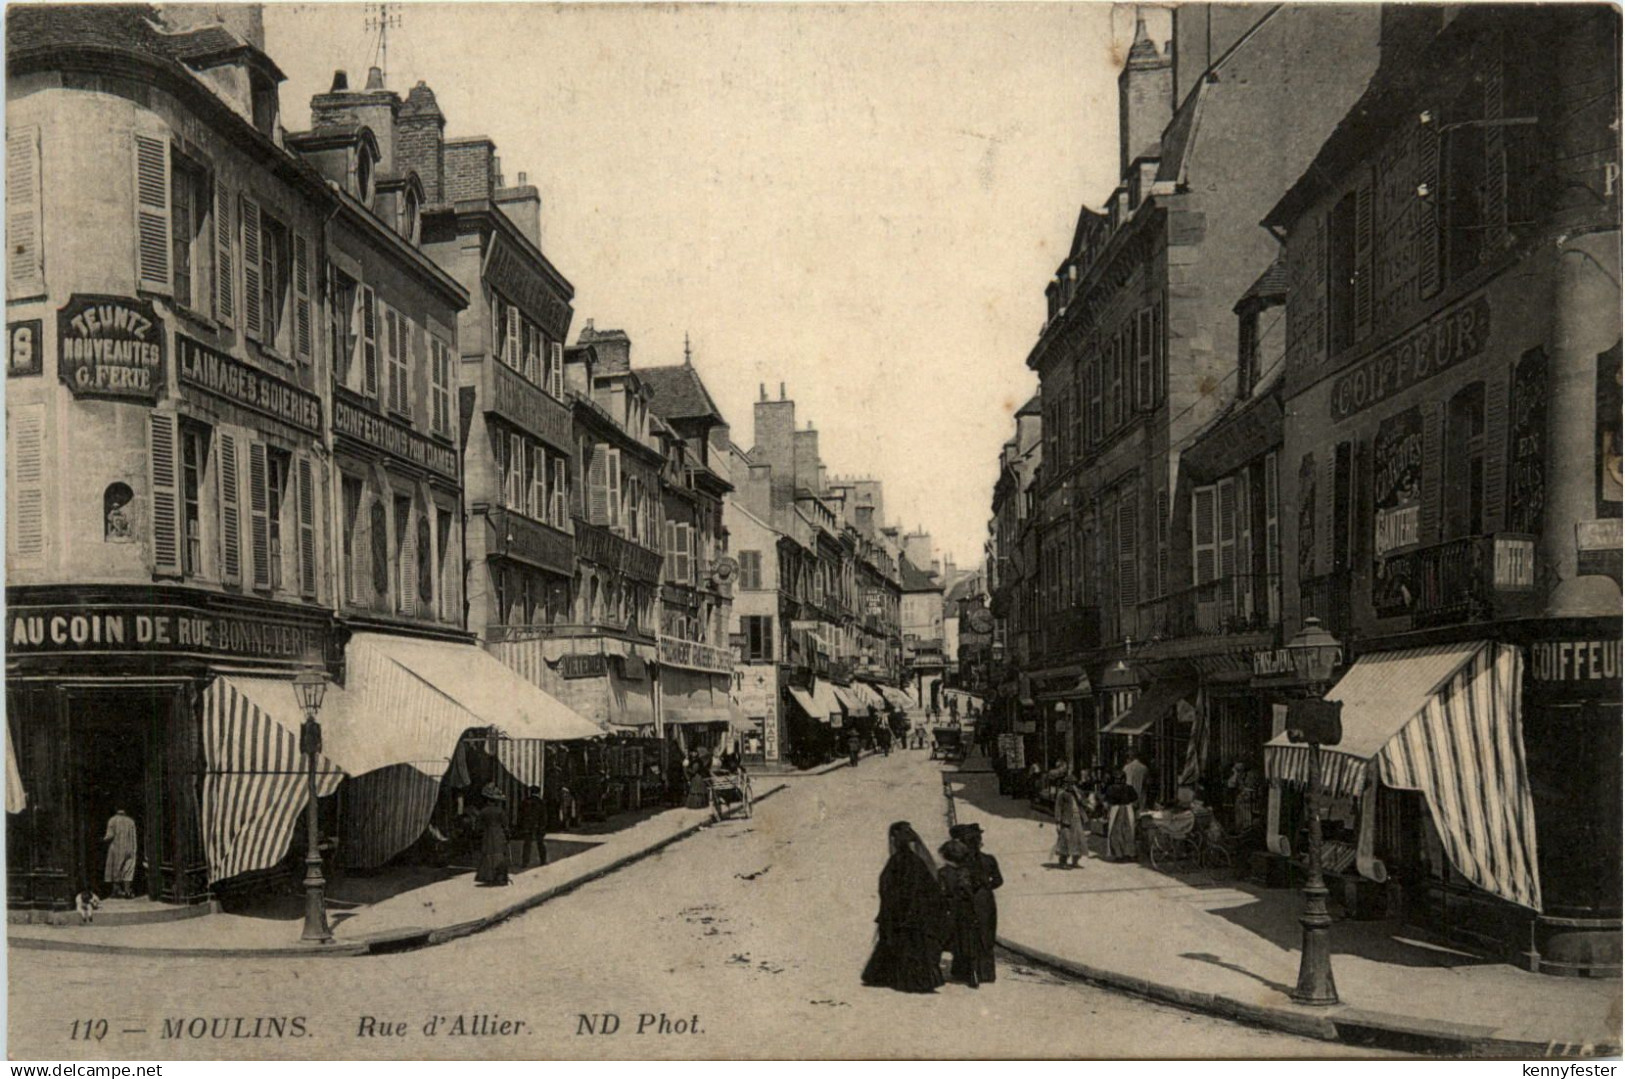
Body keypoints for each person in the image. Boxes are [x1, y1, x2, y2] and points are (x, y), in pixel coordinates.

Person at [861, 822, 947, 993]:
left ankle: (896, 978)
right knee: (909, 944)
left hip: (905, 912)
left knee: (904, 943)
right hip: (910, 911)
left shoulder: (901, 861)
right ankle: (906, 979)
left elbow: (895, 887)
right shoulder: (913, 861)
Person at [950, 823, 1001, 984]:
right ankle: (985, 973)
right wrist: (986, 887)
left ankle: (965, 971)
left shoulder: (962, 862)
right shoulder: (989, 859)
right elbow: (999, 881)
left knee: (966, 934)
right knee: (985, 934)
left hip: (967, 901)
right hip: (985, 902)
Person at [937, 839, 985, 987]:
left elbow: (941, 892)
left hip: (950, 910)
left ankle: (937, 973)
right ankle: (972, 974)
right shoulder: (967, 872)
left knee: (943, 940)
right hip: (966, 910)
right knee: (968, 941)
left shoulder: (943, 873)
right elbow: (975, 889)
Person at [474, 785, 510, 887]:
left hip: (488, 834)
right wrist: (507, 834)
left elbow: (478, 826)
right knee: (499, 854)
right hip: (499, 834)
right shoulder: (500, 811)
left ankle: (488, 877)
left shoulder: (483, 811)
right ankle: (500, 877)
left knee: (488, 854)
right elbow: (505, 824)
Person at [1051, 779, 1089, 868]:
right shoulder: (1062, 794)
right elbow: (1058, 808)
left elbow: (1083, 803)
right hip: (1066, 820)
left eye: (1073, 784)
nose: (1071, 786)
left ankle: (1075, 861)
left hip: (1077, 818)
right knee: (1066, 840)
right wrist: (1058, 822)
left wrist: (1077, 793)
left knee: (1078, 840)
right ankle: (1063, 861)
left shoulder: (1077, 793)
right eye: (1069, 784)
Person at [102, 808, 138, 899]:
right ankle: (127, 891)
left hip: (116, 848)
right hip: (129, 848)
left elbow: (110, 836)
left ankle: (116, 891)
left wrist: (102, 840)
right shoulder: (131, 821)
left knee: (116, 869)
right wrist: (134, 849)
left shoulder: (112, 820)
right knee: (128, 869)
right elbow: (134, 837)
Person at [1104, 776, 1139, 861]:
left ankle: (1119, 854)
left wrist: (1107, 811)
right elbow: (1136, 801)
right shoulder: (1129, 788)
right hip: (1128, 809)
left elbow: (1106, 802)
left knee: (1116, 832)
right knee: (1129, 831)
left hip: (1115, 810)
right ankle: (1129, 853)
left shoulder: (1111, 788)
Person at [516, 785, 547, 869]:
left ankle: (525, 862)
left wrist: (520, 825)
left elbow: (520, 815)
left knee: (527, 844)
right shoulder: (541, 802)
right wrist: (543, 827)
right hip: (538, 826)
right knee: (540, 843)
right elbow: (543, 816)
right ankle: (543, 861)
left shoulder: (525, 801)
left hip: (527, 825)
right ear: (538, 792)